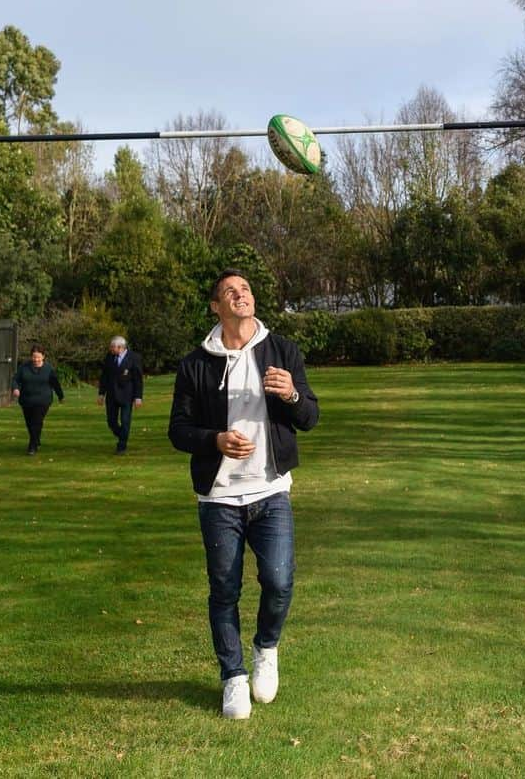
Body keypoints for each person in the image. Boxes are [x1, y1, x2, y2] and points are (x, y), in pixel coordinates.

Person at [168, 270, 319, 720]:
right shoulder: (195, 364)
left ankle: (265, 648)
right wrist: (215, 440)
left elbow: (310, 417)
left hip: (270, 491)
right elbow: (178, 430)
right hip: (218, 497)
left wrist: (292, 394)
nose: (242, 295)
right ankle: (233, 678)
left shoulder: (282, 351)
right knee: (224, 589)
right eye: (231, 291)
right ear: (216, 306)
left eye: (247, 289)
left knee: (279, 580)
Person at [11, 344, 64, 455]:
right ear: (31, 357)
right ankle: (36, 439)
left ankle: (32, 446)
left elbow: (55, 383)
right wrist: (16, 389)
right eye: (34, 357)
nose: (36, 359)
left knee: (37, 421)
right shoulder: (24, 367)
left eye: (38, 357)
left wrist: (60, 396)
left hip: (42, 400)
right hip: (26, 400)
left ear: (43, 356)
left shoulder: (48, 369)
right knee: (30, 423)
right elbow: (15, 379)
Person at [97, 335, 144, 454]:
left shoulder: (134, 358)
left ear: (121, 347)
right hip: (112, 395)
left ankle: (122, 445)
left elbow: (138, 379)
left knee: (125, 421)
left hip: (126, 396)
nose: (110, 349)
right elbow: (104, 377)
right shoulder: (109, 357)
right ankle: (122, 435)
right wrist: (101, 394)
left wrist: (138, 397)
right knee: (111, 422)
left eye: (113, 347)